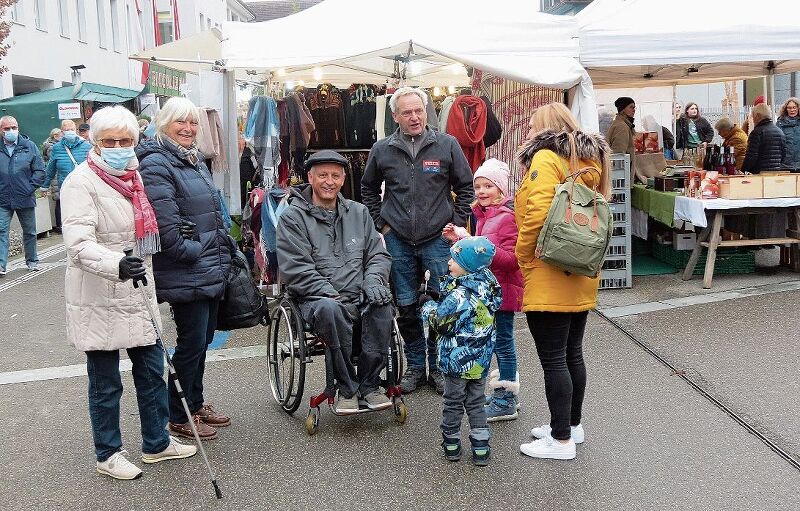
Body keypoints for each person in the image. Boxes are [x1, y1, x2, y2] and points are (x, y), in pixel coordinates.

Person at [60, 105, 197, 480]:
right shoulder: (80, 182)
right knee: (106, 383)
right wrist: (115, 263)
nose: (119, 146)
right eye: (110, 141)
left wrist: (175, 231)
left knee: (152, 371)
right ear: (97, 143)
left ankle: (156, 442)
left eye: (125, 140)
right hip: (99, 292)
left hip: (136, 290)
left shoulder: (133, 177)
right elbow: (77, 243)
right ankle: (108, 453)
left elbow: (143, 228)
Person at [361, 86, 474, 395]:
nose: (414, 117)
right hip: (397, 238)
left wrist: (458, 222)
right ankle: (414, 367)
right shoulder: (382, 149)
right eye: (406, 112)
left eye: (419, 111)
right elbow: (368, 188)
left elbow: (466, 187)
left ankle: (436, 368)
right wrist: (380, 225)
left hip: (437, 239)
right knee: (406, 304)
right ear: (395, 116)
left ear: (427, 113)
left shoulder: (446, 145)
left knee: (441, 304)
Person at [515, 102, 611, 461]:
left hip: (549, 266)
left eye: (531, 125)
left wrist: (525, 256)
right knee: (572, 352)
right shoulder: (590, 159)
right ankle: (571, 425)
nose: (528, 131)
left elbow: (537, 213)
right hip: (582, 264)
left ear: (545, 127)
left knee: (553, 358)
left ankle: (560, 440)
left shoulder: (545, 158)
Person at [137, 96, 233, 441]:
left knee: (203, 338)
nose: (189, 129)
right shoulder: (156, 163)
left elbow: (209, 213)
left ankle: (195, 401)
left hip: (206, 263)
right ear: (164, 124)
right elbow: (166, 225)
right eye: (181, 122)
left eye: (193, 123)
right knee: (192, 341)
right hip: (185, 266)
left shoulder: (191, 160)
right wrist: (192, 250)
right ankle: (179, 414)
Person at [276, 150, 394, 413]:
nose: (329, 181)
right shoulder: (292, 218)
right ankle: (346, 387)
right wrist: (331, 293)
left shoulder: (359, 212)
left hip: (358, 294)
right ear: (310, 177)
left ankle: (369, 385)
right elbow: (297, 268)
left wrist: (374, 281)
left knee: (382, 305)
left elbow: (377, 254)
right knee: (331, 310)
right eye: (322, 175)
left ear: (343, 179)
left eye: (335, 176)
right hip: (316, 299)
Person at [443, 158, 523, 422]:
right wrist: (463, 239)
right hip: (489, 292)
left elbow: (512, 260)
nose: (481, 191)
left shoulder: (507, 217)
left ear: (501, 188)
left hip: (503, 291)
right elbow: (480, 251)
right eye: (478, 186)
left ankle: (506, 399)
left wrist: (481, 248)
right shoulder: (483, 216)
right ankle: (503, 392)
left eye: (488, 186)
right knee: (496, 343)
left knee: (503, 344)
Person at [420, 236, 501, 466]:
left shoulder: (461, 295)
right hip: (480, 361)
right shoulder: (487, 287)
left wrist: (426, 304)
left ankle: (452, 445)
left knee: (453, 402)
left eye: (454, 259)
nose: (448, 263)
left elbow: (442, 323)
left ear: (467, 266)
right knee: (476, 403)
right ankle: (481, 448)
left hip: (457, 361)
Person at [0, 115, 45, 275]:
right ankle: (1, 265)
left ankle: (32, 261)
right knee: (1, 230)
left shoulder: (29, 146)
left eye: (13, 127)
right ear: (1, 130)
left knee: (30, 231)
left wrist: (29, 187)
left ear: (18, 127)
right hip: (3, 198)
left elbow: (40, 170)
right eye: (6, 128)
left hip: (25, 196)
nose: (11, 131)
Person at [42, 119, 92, 232]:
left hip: (84, 186)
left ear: (76, 130)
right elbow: (51, 168)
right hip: (65, 187)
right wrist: (44, 186)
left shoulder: (86, 146)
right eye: (66, 130)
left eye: (72, 129)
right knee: (70, 216)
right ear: (62, 132)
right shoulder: (57, 148)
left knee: (85, 213)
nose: (69, 131)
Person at [742, 103, 786, 174]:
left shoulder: (757, 132)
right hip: (775, 173)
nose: (753, 120)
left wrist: (743, 170)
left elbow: (751, 156)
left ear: (758, 116)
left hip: (759, 174)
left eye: (753, 117)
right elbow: (783, 155)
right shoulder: (780, 132)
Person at [605, 97, 636, 181]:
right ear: (623, 110)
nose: (634, 110)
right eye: (631, 107)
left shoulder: (622, 124)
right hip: (621, 174)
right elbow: (618, 152)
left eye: (634, 107)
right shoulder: (622, 126)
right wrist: (621, 177)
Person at [777, 97, 800, 171]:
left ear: (798, 108)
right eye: (789, 108)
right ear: (786, 109)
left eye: (794, 107)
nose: (792, 110)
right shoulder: (779, 124)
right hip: (785, 165)